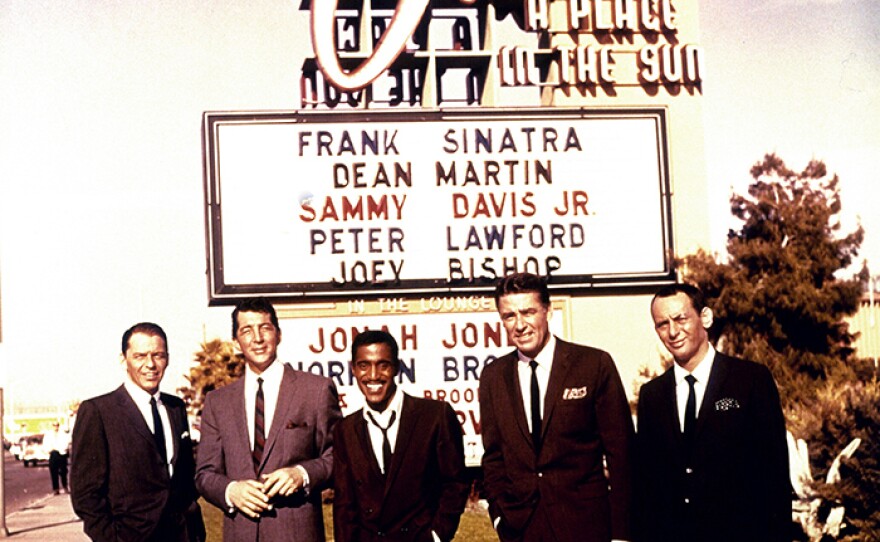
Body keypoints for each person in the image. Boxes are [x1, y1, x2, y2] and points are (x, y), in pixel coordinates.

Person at [479, 272, 635, 542]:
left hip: (587, 526)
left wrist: (621, 533)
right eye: (509, 316)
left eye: (528, 312)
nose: (519, 325)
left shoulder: (593, 365)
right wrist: (500, 516)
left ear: (548, 311)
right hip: (522, 530)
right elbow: (494, 458)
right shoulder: (493, 376)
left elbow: (622, 456)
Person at [636, 283, 790, 542]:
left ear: (705, 317)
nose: (673, 331)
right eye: (663, 324)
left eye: (681, 318)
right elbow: (647, 485)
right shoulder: (652, 395)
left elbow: (773, 472)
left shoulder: (750, 380)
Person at [195, 297, 342, 542]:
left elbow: (340, 456)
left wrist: (302, 474)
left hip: (297, 533)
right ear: (236, 342)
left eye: (265, 328)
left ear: (279, 334)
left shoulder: (315, 390)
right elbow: (205, 474)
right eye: (247, 330)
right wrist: (231, 491)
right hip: (240, 533)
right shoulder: (217, 402)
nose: (258, 338)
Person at [71, 322, 204, 542]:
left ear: (167, 359)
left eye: (158, 355)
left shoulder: (176, 407)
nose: (150, 364)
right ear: (124, 360)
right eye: (140, 356)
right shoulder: (98, 411)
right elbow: (85, 494)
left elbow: (183, 475)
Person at [333, 329, 470, 542]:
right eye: (363, 366)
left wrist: (437, 535)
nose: (373, 375)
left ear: (396, 367)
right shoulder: (345, 429)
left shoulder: (434, 416)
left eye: (383, 365)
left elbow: (455, 483)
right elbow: (344, 506)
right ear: (353, 369)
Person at [43, 421, 71, 494]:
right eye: (54, 425)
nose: (56, 427)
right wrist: (50, 449)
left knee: (63, 472)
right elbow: (46, 444)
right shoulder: (48, 435)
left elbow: (66, 443)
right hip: (53, 454)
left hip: (61, 454)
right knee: (53, 472)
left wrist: (60, 448)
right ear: (52, 426)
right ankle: (56, 489)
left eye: (57, 425)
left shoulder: (63, 434)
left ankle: (65, 487)